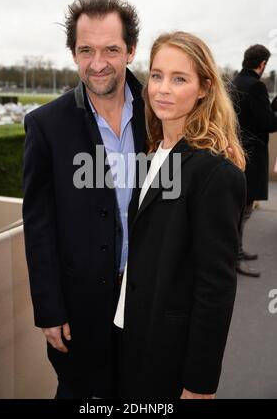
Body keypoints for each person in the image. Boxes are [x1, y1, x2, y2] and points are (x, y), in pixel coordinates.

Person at [22, 0, 145, 398]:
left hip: (149, 300)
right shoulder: (46, 125)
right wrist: (49, 309)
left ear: (130, 51)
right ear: (73, 53)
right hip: (80, 308)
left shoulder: (162, 113)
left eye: (110, 49)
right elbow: (39, 227)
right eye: (85, 50)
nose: (97, 64)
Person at [114, 31, 246, 399]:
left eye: (179, 78)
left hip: (167, 352)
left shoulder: (216, 174)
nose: (163, 89)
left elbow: (215, 288)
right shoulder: (153, 153)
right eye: (156, 75)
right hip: (129, 330)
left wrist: (199, 384)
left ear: (204, 88)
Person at [232, 45, 277, 277]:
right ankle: (236, 257)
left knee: (238, 209)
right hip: (252, 157)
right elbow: (268, 123)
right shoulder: (257, 86)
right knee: (243, 211)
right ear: (262, 64)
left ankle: (237, 251)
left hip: (234, 155)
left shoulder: (233, 83)